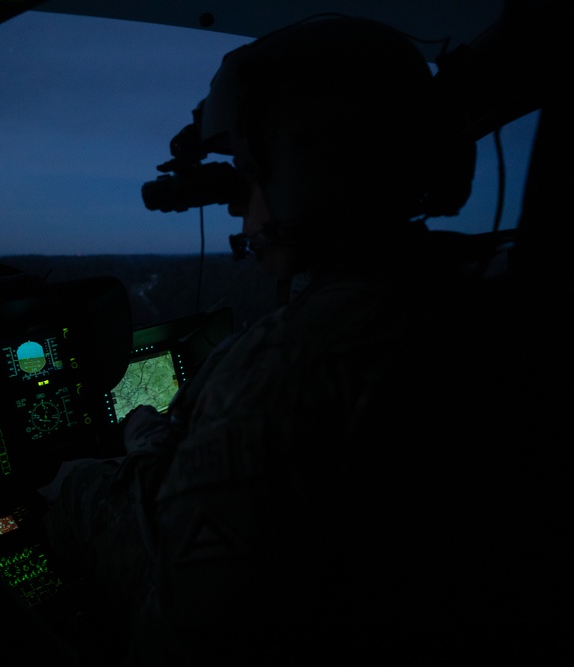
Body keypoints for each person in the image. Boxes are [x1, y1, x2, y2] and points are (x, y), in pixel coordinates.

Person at [40, 15, 481, 664]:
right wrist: (149, 440)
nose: (244, 205)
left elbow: (183, 608)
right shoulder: (456, 295)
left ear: (305, 166)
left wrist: (72, 485)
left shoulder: (295, 357)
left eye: (249, 169)